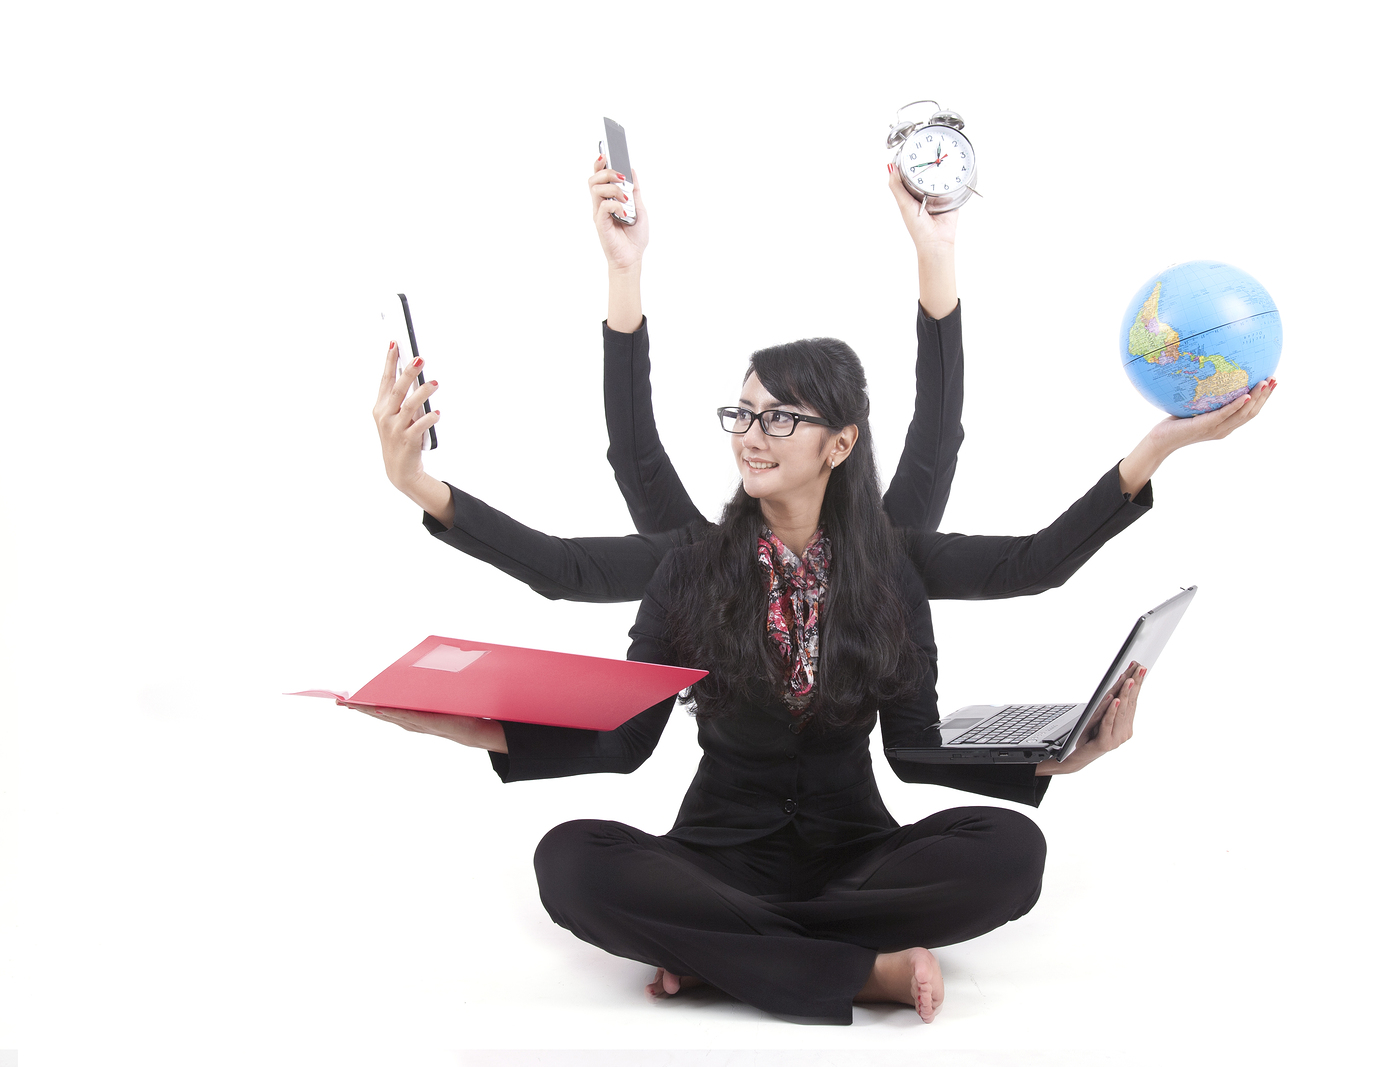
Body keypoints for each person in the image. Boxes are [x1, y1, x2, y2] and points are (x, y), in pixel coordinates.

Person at [353, 159, 1276, 1024]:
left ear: (840, 443)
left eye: (780, 417)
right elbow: (602, 674)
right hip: (712, 861)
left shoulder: (891, 565)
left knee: (1013, 851)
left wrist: (1055, 756)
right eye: (743, 413)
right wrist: (425, 499)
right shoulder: (692, 562)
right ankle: (855, 969)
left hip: (857, 860)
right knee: (570, 860)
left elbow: (948, 693)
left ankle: (724, 957)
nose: (752, 435)